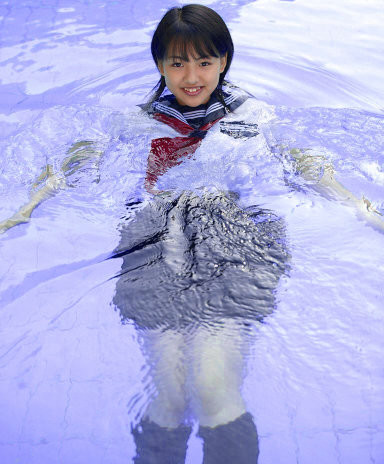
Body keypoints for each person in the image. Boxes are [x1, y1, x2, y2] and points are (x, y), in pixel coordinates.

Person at [1, 5, 383, 464]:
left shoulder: (255, 116)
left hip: (236, 236)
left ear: (224, 61)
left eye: (204, 61)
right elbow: (77, 160)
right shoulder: (136, 122)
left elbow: (302, 160)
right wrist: (25, 209)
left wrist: (356, 205)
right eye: (177, 62)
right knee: (170, 396)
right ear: (159, 65)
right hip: (153, 239)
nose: (191, 77)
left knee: (213, 387)